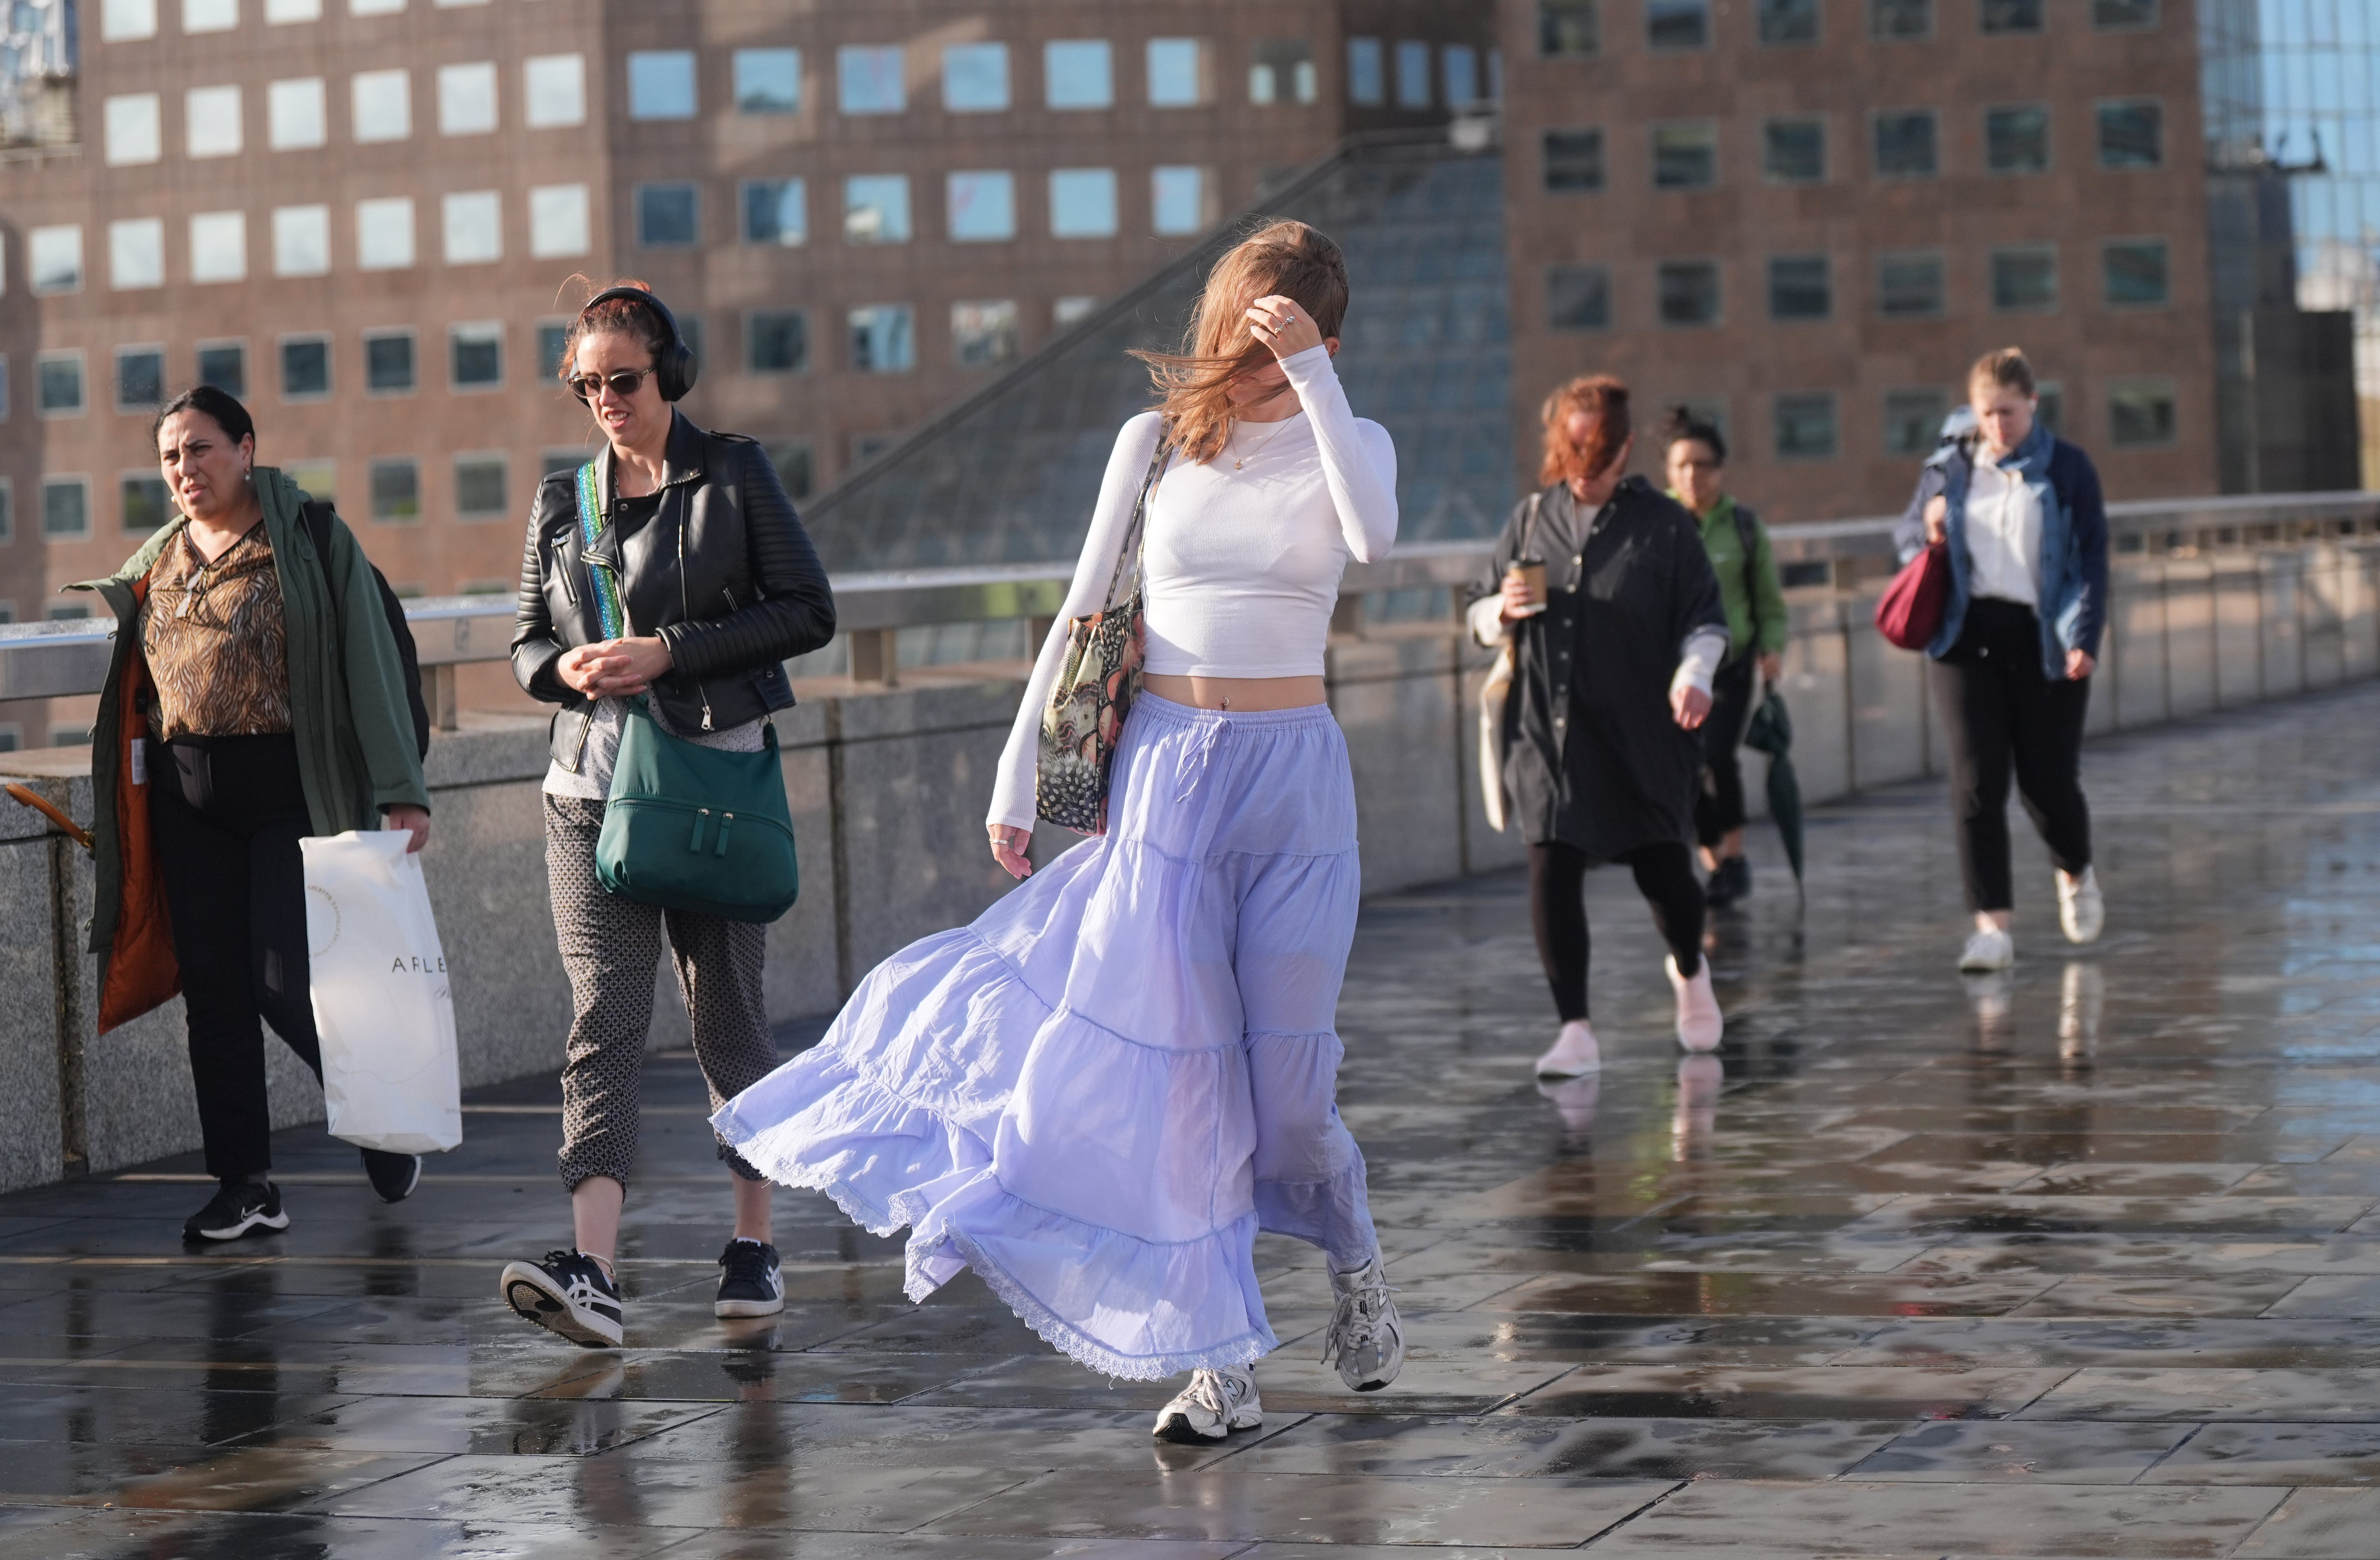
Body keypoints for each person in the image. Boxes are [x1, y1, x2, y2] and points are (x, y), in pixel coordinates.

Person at [714, 221, 1405, 1443]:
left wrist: (1313, 378)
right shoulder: (1154, 447)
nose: (1255, 371)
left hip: (1295, 785)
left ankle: (1354, 1260)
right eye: (1245, 344)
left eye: (1286, 345)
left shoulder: (1352, 439)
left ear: (1324, 341)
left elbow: (1374, 543)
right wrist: (1017, 773)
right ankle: (1218, 1364)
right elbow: (1083, 612)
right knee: (1178, 1075)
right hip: (1165, 782)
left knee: (1290, 1093)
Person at [500, 282, 836, 1347]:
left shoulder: (730, 474)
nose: (606, 398)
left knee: (728, 1017)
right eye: (586, 383)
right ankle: (593, 1268)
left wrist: (669, 653)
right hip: (587, 795)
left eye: (624, 379)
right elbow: (520, 644)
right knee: (602, 1017)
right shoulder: (562, 501)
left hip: (707, 792)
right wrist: (568, 669)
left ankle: (751, 1241)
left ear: (669, 372)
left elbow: (807, 610)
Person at [74, 385, 433, 1244]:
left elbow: (372, 665)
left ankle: (382, 1119)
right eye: (170, 456)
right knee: (216, 996)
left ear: (245, 449)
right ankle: (246, 1185)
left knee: (281, 982)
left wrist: (402, 788)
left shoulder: (309, 538)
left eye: (201, 448)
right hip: (184, 795)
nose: (185, 469)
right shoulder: (157, 559)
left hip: (288, 785)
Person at [1469, 377, 1731, 1080]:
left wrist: (1693, 673)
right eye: (1574, 453)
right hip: (1547, 738)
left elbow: (1706, 617)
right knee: (1550, 869)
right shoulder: (1529, 519)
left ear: (1622, 451)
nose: (1587, 469)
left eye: (1600, 455)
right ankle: (1574, 1028)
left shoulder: (1663, 525)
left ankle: (1689, 966)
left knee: (1666, 875)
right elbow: (1472, 611)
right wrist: (1499, 609)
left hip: (1643, 735)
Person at [1894, 346, 2107, 972]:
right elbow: (1905, 538)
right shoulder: (1949, 468)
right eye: (1987, 414)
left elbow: (2090, 561)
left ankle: (2076, 870)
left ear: (2033, 406)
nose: (1998, 427)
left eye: (2009, 414)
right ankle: (1992, 928)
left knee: (2048, 784)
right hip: (1965, 639)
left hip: (2043, 639)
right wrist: (1927, 530)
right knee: (1978, 783)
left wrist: (2083, 637)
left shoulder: (2068, 469)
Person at [1663, 409, 1786, 908]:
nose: (1695, 475)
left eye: (1705, 464)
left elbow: (1769, 601)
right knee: (1684, 765)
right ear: (1669, 472)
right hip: (1671, 668)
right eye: (1683, 465)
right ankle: (1713, 860)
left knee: (1715, 755)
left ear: (1722, 469)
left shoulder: (1742, 526)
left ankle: (1733, 856)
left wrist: (1772, 645)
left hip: (1731, 664)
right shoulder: (1659, 522)